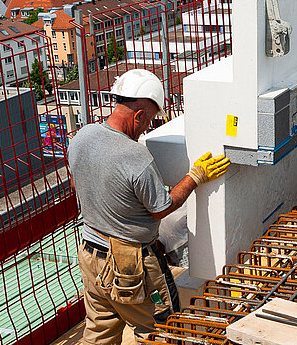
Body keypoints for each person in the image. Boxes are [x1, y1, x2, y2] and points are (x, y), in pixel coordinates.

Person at [68, 69, 230, 344]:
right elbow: (161, 208)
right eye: (149, 120)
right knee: (161, 331)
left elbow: (77, 185)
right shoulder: (135, 156)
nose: (147, 128)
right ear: (139, 114)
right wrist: (195, 177)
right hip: (129, 264)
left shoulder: (82, 137)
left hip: (90, 254)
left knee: (99, 331)